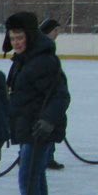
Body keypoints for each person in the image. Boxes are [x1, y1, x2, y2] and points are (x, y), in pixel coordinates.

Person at [1, 12, 70, 195]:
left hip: (39, 129)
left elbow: (60, 95)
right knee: (35, 177)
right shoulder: (25, 59)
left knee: (27, 178)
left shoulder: (42, 61)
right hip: (30, 126)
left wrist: (48, 121)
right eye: (12, 37)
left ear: (30, 36)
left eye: (20, 37)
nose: (16, 42)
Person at [39, 18, 66, 170]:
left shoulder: (46, 47)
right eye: (55, 31)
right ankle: (46, 157)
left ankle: (47, 156)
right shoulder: (42, 47)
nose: (57, 34)